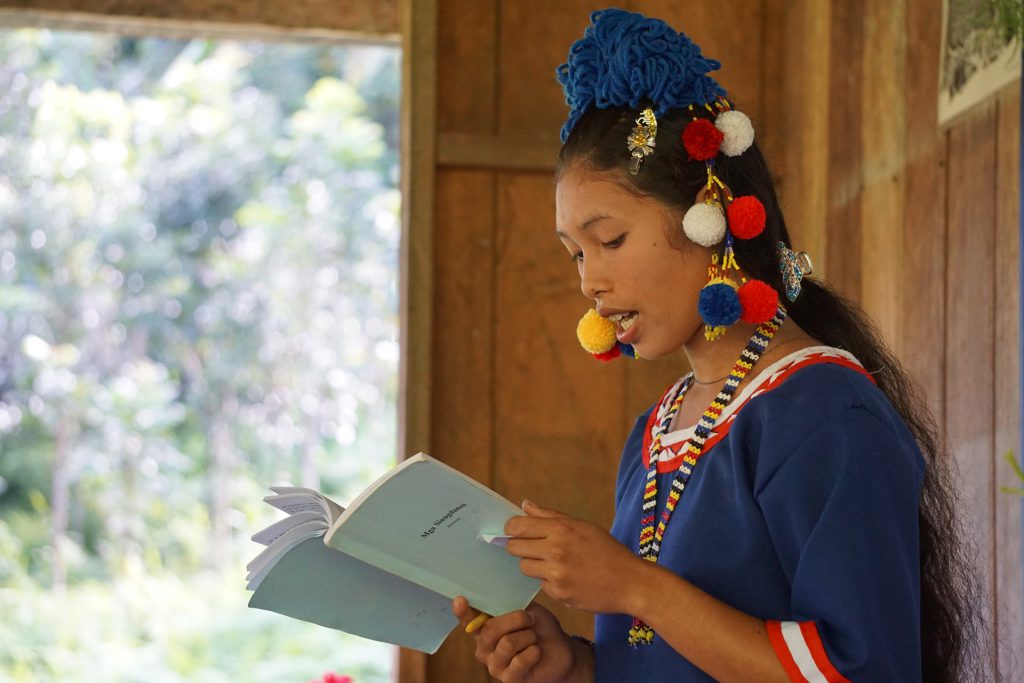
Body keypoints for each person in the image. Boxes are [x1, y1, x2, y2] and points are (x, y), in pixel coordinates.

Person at [451, 8, 983, 682]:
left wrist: (634, 587)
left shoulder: (824, 414)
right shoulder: (655, 430)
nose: (591, 280)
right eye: (574, 254)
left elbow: (861, 671)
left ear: (710, 210)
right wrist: (577, 664)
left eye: (609, 239)